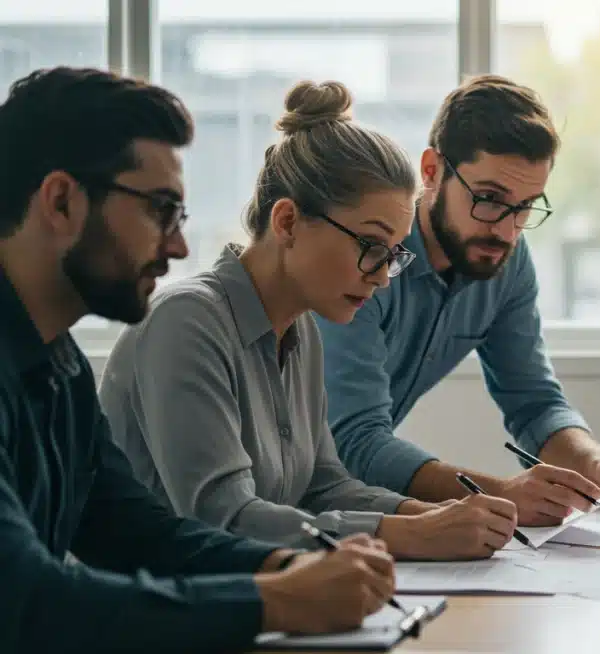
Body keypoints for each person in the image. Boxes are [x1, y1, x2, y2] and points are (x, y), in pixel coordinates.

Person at [0, 67, 399, 652]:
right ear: (61, 202)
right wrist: (277, 599)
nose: (179, 246)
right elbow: (29, 601)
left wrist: (288, 567)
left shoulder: (58, 364)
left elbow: (138, 533)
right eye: (160, 210)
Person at [98, 80, 518, 562]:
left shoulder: (302, 332)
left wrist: (431, 514)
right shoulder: (186, 322)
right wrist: (413, 535)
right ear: (288, 223)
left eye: (393, 255)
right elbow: (222, 517)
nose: (383, 278)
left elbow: (325, 487)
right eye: (370, 247)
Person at [317, 74, 600, 527]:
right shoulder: (370, 256)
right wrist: (500, 493)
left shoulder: (506, 261)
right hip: (277, 499)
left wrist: (598, 469)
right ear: (431, 171)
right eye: (488, 199)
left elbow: (535, 402)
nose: (505, 230)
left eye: (525, 207)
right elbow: (354, 440)